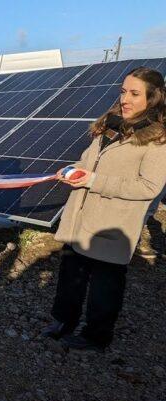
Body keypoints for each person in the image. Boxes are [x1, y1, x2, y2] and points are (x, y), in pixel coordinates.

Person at [43, 67, 166, 351]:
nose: (125, 99)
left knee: (104, 285)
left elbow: (148, 187)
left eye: (134, 94)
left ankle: (97, 336)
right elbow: (89, 162)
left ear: (152, 98)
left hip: (113, 224)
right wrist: (73, 169)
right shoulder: (110, 125)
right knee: (70, 276)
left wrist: (94, 180)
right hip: (81, 216)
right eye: (123, 92)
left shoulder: (158, 140)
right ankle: (63, 321)